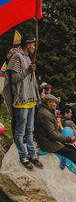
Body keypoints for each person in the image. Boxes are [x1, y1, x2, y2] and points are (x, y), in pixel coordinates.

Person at [35, 94, 76, 178]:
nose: (55, 105)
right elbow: (52, 134)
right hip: (47, 142)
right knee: (70, 152)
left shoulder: (47, 112)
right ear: (49, 103)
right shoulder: (45, 115)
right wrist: (68, 139)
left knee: (72, 148)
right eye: (54, 103)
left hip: (50, 139)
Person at [3, 36, 42, 169]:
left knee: (30, 130)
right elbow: (14, 79)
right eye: (33, 45)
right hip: (21, 100)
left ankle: (32, 154)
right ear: (27, 45)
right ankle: (23, 156)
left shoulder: (28, 58)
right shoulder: (17, 57)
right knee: (20, 132)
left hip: (30, 99)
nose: (34, 47)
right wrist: (27, 71)